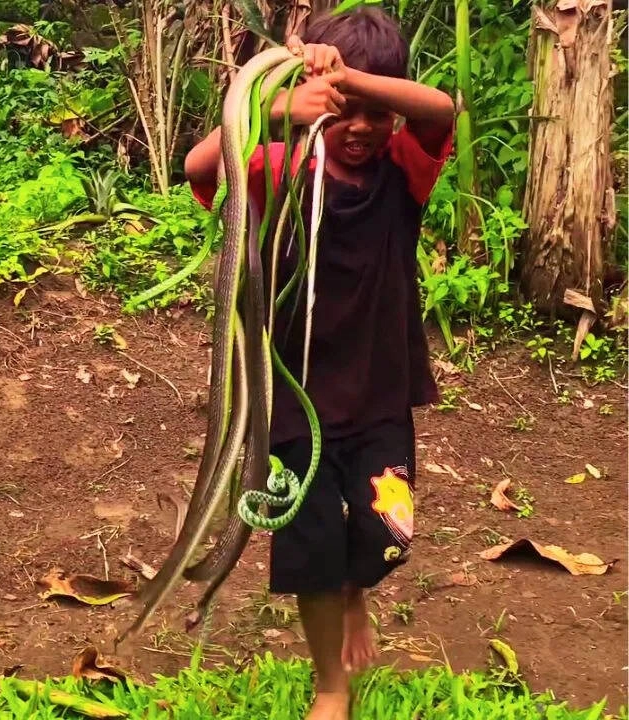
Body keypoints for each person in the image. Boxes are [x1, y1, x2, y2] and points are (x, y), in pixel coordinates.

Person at [184, 8, 455, 720]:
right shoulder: (280, 163)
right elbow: (199, 167)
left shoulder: (405, 173)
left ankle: (356, 591)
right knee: (308, 548)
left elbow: (440, 109)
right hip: (292, 396)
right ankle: (331, 686)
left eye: (375, 113)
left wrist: (350, 78)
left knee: (388, 536)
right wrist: (280, 103)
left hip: (380, 392)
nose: (360, 127)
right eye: (343, 114)